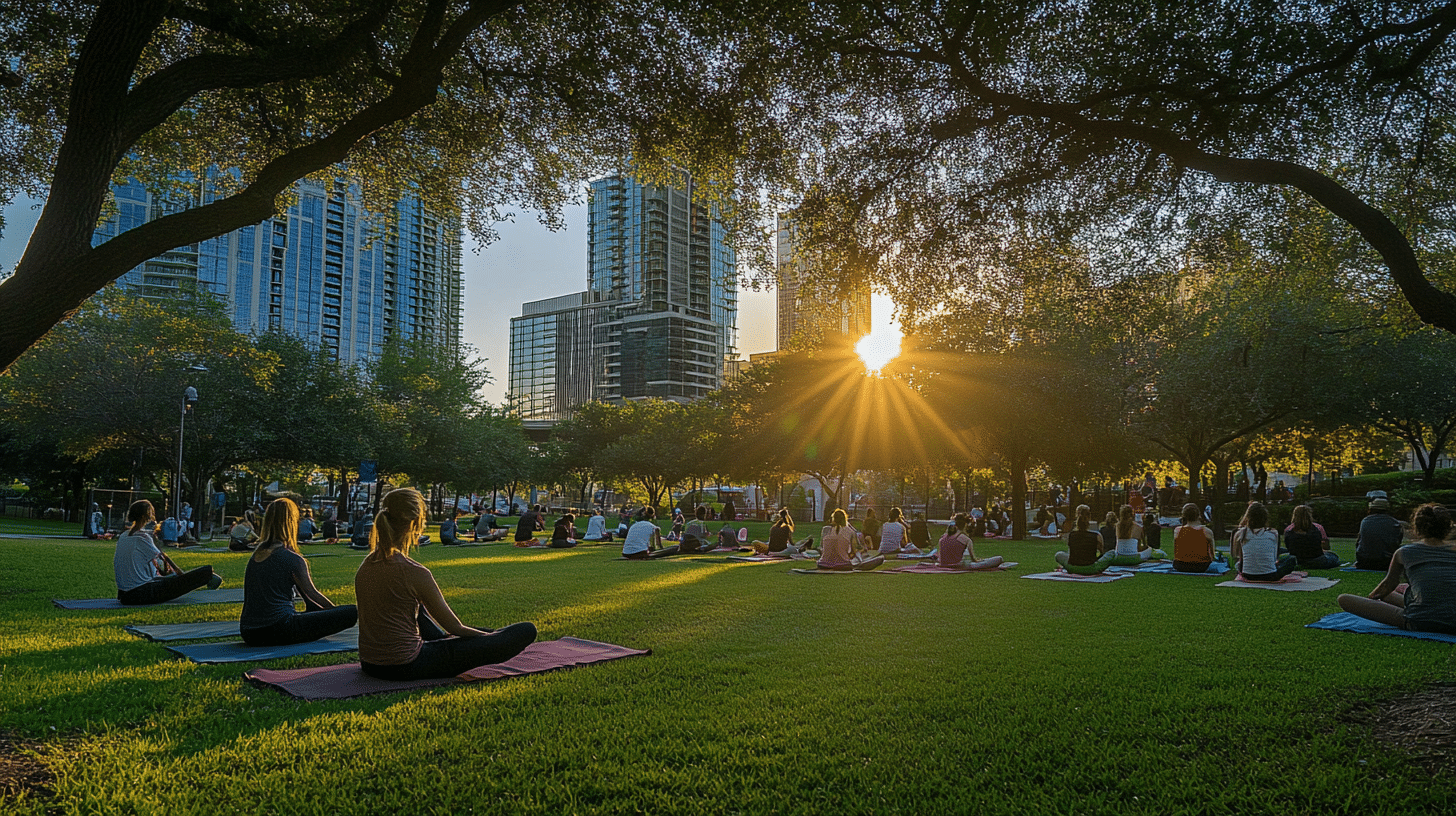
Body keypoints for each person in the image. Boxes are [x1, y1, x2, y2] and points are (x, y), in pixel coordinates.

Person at [355, 488, 537, 681]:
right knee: (525, 630)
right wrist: (491, 640)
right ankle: (496, 635)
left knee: (420, 610)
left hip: (370, 664)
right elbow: (456, 628)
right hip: (405, 665)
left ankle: (493, 634)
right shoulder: (414, 572)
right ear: (415, 524)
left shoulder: (366, 566)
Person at [240, 499, 357, 646]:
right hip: (278, 628)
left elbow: (305, 595)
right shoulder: (292, 559)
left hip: (249, 632)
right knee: (351, 612)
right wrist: (333, 613)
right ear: (291, 522)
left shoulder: (257, 555)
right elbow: (312, 593)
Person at [1338, 504, 1456, 634]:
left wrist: (1370, 600)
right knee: (1393, 595)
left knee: (1344, 599)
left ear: (1416, 528)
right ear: (1448, 527)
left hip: (1419, 621)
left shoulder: (1404, 552)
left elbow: (1387, 586)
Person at [113, 500, 222, 605]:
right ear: (145, 516)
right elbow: (163, 566)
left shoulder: (124, 536)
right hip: (139, 594)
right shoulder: (142, 537)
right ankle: (208, 575)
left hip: (124, 594)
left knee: (171, 579)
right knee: (179, 582)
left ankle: (207, 576)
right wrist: (180, 574)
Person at [1231, 501, 1298, 582]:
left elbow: (1236, 555)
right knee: (1291, 559)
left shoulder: (1241, 533)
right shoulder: (1273, 533)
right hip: (1270, 575)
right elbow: (1275, 558)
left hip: (1247, 575)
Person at [1055, 505, 1117, 575]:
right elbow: (1101, 552)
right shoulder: (1096, 536)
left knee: (1058, 554)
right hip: (1091, 568)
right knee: (1112, 553)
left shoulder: (1071, 535)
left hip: (1072, 567)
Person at [817, 509, 883, 571]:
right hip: (842, 564)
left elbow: (822, 547)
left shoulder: (826, 529)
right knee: (858, 558)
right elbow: (857, 550)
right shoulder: (850, 532)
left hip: (823, 564)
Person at [938, 513, 1005, 570]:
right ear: (965, 525)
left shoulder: (943, 537)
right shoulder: (966, 539)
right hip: (959, 565)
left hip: (943, 564)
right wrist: (979, 560)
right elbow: (974, 560)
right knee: (999, 558)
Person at [1284, 504, 1340, 569]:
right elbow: (1326, 547)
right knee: (1332, 556)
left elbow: (1288, 547)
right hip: (1317, 560)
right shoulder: (1318, 528)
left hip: (1298, 560)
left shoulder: (1288, 530)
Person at [1356, 497, 1404, 571]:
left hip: (1364, 561)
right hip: (1387, 562)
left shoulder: (1365, 521)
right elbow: (1396, 543)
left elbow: (1359, 541)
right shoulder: (1394, 523)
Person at [1171, 502, 1216, 573]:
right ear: (1198, 515)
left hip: (1180, 565)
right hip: (1201, 566)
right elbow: (1212, 553)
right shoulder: (1206, 531)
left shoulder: (1177, 530)